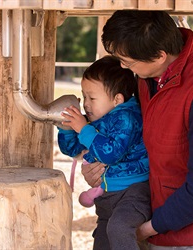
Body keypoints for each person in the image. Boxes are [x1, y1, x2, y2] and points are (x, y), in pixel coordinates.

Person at [81, 10, 193, 249]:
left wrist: (148, 228)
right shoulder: (147, 75)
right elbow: (127, 136)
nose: (123, 66)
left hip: (190, 233)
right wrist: (98, 168)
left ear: (159, 56)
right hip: (149, 212)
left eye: (127, 61)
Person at [57, 55, 151, 250]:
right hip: (108, 195)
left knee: (119, 228)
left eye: (92, 97)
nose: (86, 104)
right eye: (84, 96)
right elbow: (73, 149)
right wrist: (66, 129)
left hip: (133, 192)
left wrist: (84, 129)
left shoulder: (127, 118)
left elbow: (111, 153)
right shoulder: (98, 118)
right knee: (102, 240)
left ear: (117, 99)